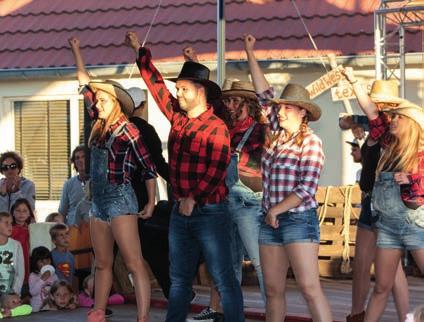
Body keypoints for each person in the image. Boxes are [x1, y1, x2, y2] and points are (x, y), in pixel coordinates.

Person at [125, 31, 244, 322]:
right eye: (177, 89)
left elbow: (217, 170)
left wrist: (192, 197)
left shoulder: (216, 127)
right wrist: (141, 53)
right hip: (181, 210)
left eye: (183, 90)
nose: (177, 94)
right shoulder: (178, 117)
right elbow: (156, 88)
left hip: (210, 211)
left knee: (223, 277)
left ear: (200, 91)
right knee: (178, 279)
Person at [244, 34, 333, 322]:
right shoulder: (276, 132)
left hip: (297, 219)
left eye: (287, 107)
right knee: (272, 290)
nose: (280, 111)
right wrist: (250, 52)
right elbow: (262, 92)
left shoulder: (311, 142)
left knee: (309, 288)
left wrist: (276, 210)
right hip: (270, 220)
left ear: (302, 112)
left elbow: (307, 188)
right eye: (280, 107)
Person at [69, 36, 157, 322]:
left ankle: (143, 317)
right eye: (100, 100)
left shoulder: (127, 129)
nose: (100, 103)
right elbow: (86, 86)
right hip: (98, 203)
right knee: (103, 263)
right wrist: (77, 50)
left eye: (105, 100)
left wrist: (152, 201)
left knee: (133, 262)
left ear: (117, 103)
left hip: (121, 199)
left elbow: (148, 167)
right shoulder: (98, 126)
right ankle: (98, 311)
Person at [343, 68, 424, 322]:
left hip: (415, 225)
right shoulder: (388, 142)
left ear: (410, 124)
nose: (393, 120)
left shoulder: (420, 152)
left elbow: (418, 195)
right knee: (381, 287)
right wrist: (355, 82)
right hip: (387, 226)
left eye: (398, 118)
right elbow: (370, 111)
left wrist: (411, 179)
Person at [191, 77, 268, 320]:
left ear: (249, 104)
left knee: (260, 262)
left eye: (236, 100)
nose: (231, 105)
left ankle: (273, 311)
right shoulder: (224, 129)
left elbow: (265, 165)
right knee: (229, 264)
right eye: (229, 101)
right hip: (225, 201)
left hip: (248, 202)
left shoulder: (260, 129)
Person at [127, 87, 173, 299]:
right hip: (140, 195)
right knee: (151, 246)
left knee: (108, 251)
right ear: (142, 106)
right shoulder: (144, 129)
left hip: (115, 196)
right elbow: (156, 164)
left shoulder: (114, 128)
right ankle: (171, 289)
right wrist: (177, 181)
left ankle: (97, 297)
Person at [58, 145, 90, 225]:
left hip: (92, 229)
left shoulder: (98, 183)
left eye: (83, 157)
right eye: (77, 158)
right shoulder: (68, 184)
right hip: (73, 230)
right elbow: (62, 213)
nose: (80, 160)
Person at [10, 198, 35, 294]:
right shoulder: (10, 229)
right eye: (18, 210)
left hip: (27, 260)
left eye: (24, 211)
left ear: (29, 213)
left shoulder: (31, 228)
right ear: (13, 212)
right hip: (13, 261)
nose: (21, 213)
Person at [0, 212, 24, 295]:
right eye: (6, 223)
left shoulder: (16, 245)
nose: (10, 226)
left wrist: (15, 291)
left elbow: (20, 271)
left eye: (11, 223)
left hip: (10, 292)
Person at [28, 246, 59, 312]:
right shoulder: (33, 275)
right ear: (35, 262)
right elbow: (33, 292)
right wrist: (42, 279)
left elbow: (57, 290)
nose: (45, 264)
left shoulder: (54, 275)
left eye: (47, 260)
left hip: (51, 308)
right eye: (41, 261)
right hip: (36, 309)